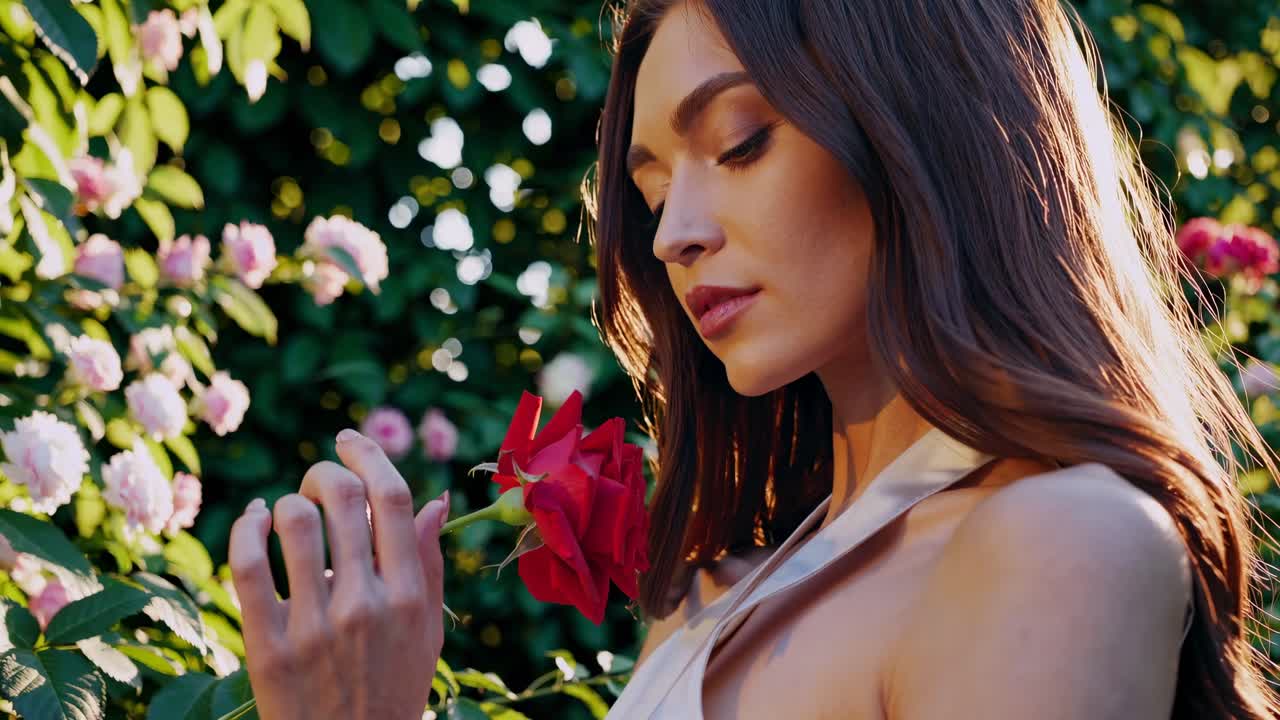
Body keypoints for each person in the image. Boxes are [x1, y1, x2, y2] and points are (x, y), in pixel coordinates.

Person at [228, 1, 1280, 719]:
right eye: (650, 190)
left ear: (929, 126)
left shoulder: (1058, 541)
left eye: (739, 143)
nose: (673, 233)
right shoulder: (711, 596)